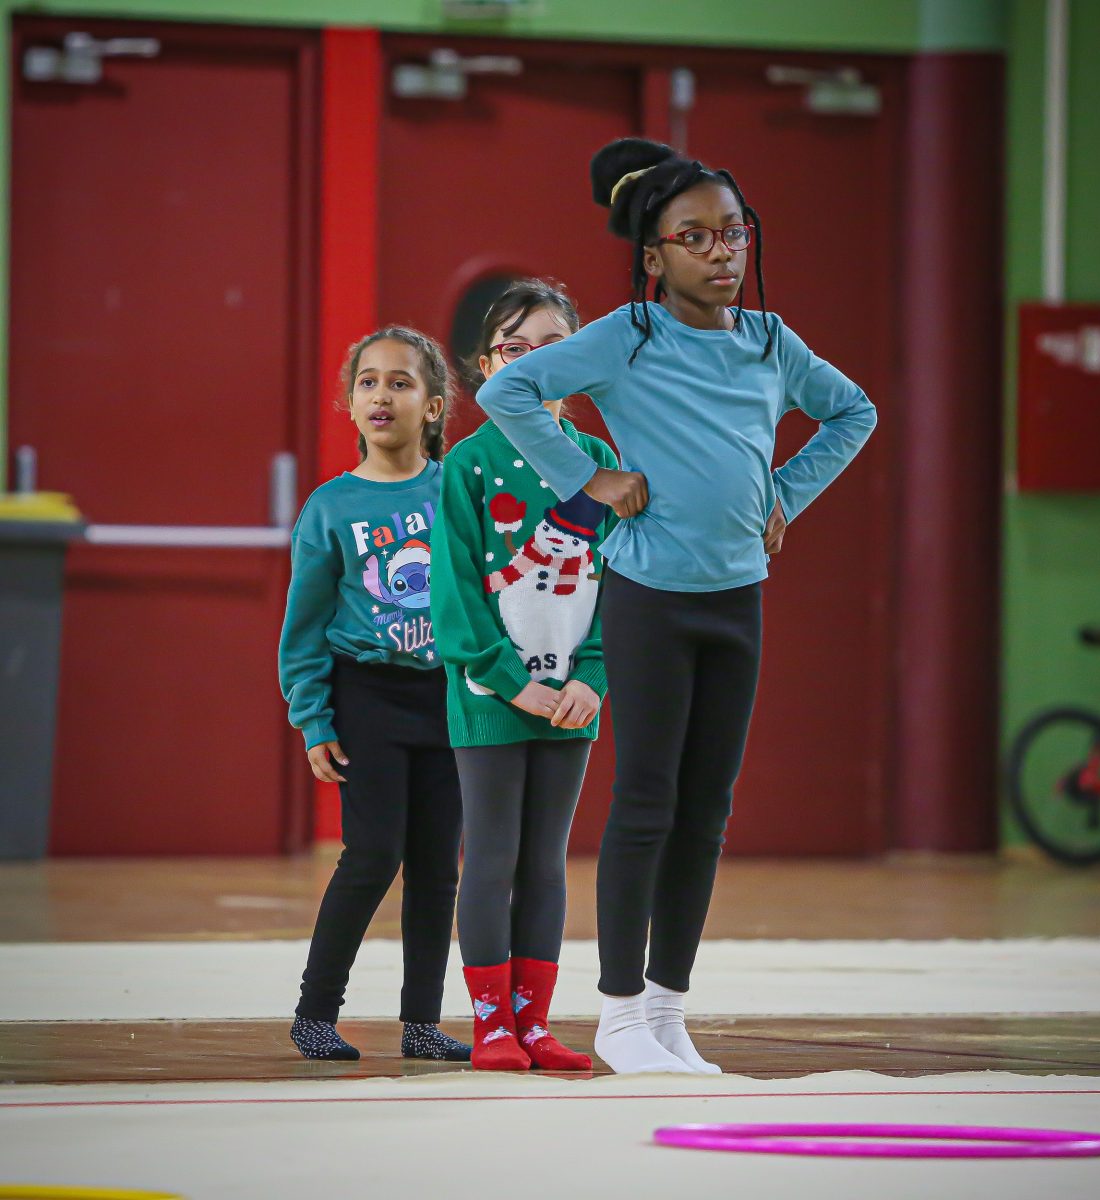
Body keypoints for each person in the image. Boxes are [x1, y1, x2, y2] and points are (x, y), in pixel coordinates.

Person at [474, 139, 878, 1074]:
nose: (720, 251)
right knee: (647, 802)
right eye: (694, 237)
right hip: (651, 597)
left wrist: (785, 494)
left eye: (733, 232)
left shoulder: (771, 342)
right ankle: (618, 1014)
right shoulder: (629, 335)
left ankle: (666, 1012)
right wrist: (588, 479)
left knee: (707, 811)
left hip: (737, 600)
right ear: (654, 257)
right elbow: (509, 389)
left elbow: (852, 411)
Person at [430, 279, 618, 1071]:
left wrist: (593, 676)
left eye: (553, 348)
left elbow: (624, 582)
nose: (534, 363)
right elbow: (454, 595)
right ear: (485, 367)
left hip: (572, 699)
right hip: (492, 697)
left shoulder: (601, 464)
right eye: (515, 349)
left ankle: (534, 1024)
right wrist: (509, 680)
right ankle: (492, 1027)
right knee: (493, 855)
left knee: (546, 860)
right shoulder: (468, 465)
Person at [279, 326, 469, 1063]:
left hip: (448, 696)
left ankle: (421, 1023)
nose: (381, 394)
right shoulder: (331, 507)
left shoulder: (458, 490)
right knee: (372, 853)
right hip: (366, 695)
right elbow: (304, 627)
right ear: (351, 404)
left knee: (437, 866)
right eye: (368, 382)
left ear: (432, 406)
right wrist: (313, 717)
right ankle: (315, 1012)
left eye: (400, 382)